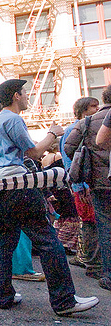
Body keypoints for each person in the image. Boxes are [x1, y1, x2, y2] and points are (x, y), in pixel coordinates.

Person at [0, 79, 99, 315]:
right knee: (48, 240)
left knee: (4, 241)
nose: (27, 96)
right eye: (24, 93)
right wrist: (52, 133)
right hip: (17, 184)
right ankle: (64, 300)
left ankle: (3, 295)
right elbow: (33, 152)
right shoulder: (13, 119)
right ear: (15, 96)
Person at [65, 85, 111, 292]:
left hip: (100, 184)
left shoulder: (87, 123)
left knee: (105, 227)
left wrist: (89, 152)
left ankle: (106, 273)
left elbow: (68, 147)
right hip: (96, 184)